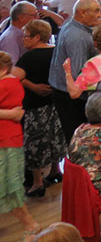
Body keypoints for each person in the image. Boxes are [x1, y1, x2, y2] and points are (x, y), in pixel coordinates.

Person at [49, 0, 101, 143]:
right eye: (96, 11)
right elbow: (78, 77)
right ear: (82, 13)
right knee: (79, 140)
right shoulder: (78, 37)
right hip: (70, 98)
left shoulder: (75, 27)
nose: (100, 15)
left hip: (66, 93)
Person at [13, 20, 65, 198]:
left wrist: (31, 85)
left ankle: (37, 183)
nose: (23, 40)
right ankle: (55, 170)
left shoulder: (28, 58)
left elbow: (14, 77)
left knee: (35, 141)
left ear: (37, 37)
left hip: (35, 106)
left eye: (26, 36)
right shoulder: (56, 51)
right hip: (56, 102)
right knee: (55, 137)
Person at [0, 50, 41, 236]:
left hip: (6, 141)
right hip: (8, 139)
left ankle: (30, 225)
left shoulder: (7, 84)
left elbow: (16, 113)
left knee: (9, 185)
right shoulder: (10, 82)